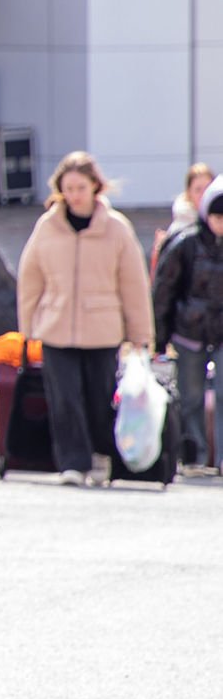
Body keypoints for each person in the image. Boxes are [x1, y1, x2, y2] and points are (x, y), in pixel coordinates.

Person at [16, 151, 154, 486]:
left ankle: (101, 457)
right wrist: (28, 326)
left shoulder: (117, 229)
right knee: (64, 399)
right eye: (69, 189)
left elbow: (133, 284)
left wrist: (140, 334)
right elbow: (30, 277)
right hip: (56, 328)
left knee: (99, 399)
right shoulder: (47, 227)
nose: (75, 195)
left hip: (102, 331)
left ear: (95, 186)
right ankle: (72, 464)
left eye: (81, 187)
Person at [152, 174, 223, 474]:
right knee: (190, 397)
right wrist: (159, 337)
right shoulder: (185, 243)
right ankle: (193, 455)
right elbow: (164, 291)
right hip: (189, 333)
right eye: (217, 217)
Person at [152, 163, 214, 274]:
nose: (204, 194)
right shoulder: (179, 228)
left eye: (207, 188)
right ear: (189, 193)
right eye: (198, 190)